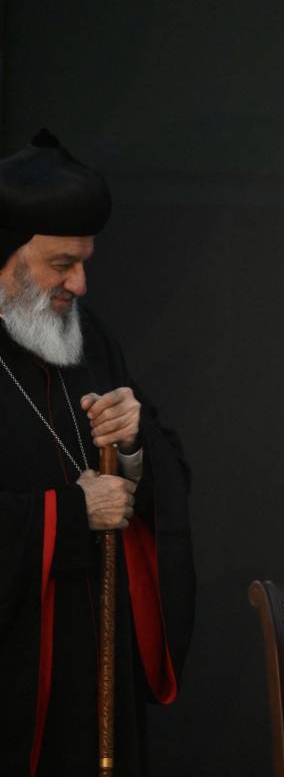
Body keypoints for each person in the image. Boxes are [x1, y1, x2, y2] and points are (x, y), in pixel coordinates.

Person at [0, 130, 194, 776]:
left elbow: (164, 477)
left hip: (96, 664)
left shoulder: (88, 339)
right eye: (61, 264)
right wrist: (66, 513)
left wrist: (134, 445)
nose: (79, 283)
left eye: (84, 262)